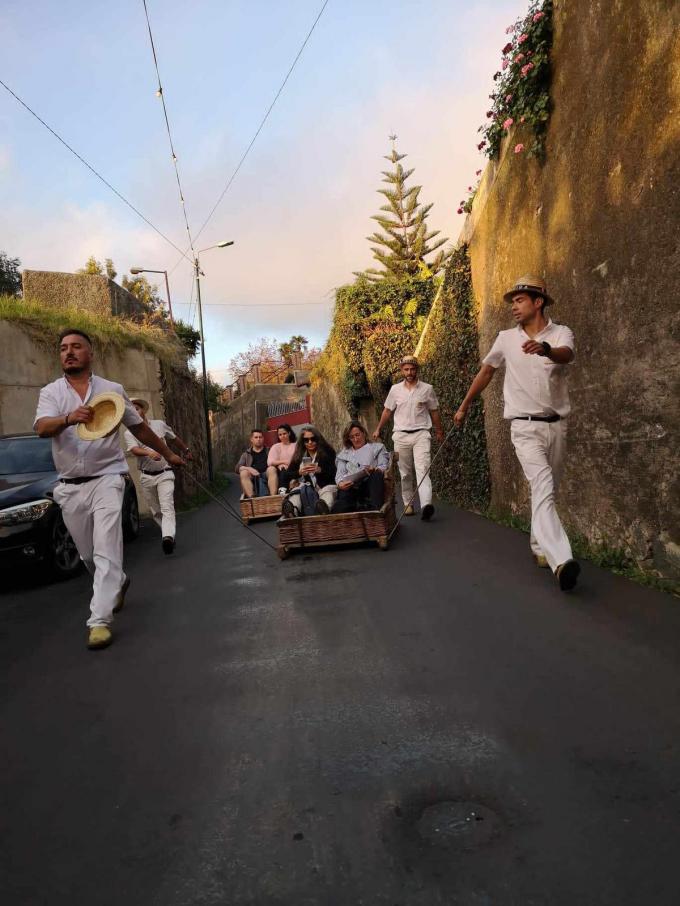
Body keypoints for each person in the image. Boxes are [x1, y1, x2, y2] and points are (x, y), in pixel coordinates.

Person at [34, 328, 185, 650]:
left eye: (76, 347)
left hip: (108, 478)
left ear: (90, 353)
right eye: (63, 348)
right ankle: (117, 580)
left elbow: (139, 428)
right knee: (88, 555)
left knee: (106, 549)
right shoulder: (51, 392)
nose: (69, 352)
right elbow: (41, 428)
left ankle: (98, 621)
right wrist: (68, 417)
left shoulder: (112, 390)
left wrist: (170, 454)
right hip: (70, 485)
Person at [454, 275, 580, 591]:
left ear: (538, 302)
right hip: (523, 427)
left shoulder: (561, 333)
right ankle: (561, 560)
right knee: (543, 484)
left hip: (557, 425)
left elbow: (567, 355)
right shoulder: (506, 338)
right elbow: (487, 371)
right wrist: (465, 405)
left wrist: (545, 349)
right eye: (512, 301)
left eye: (520, 299)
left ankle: (539, 546)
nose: (514, 305)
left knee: (547, 489)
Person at [373, 354, 445, 521]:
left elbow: (434, 411)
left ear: (417, 370)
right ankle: (408, 503)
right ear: (401, 371)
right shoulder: (395, 390)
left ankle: (426, 504)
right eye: (406, 369)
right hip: (401, 436)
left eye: (412, 369)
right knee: (405, 473)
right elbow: (387, 411)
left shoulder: (427, 388)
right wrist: (378, 428)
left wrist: (439, 430)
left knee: (423, 469)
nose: (410, 372)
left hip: (421, 434)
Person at [124, 398, 192, 556]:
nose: (135, 412)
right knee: (156, 511)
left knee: (167, 506)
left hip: (165, 473)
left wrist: (186, 450)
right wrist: (148, 452)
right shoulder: (129, 432)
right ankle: (167, 534)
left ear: (144, 410)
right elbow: (133, 450)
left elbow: (173, 438)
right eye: (131, 410)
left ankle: (167, 537)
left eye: (137, 408)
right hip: (147, 477)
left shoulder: (159, 425)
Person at [333, 421, 390, 513]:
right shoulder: (344, 454)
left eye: (357, 435)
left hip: (370, 484)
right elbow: (339, 474)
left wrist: (374, 469)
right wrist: (340, 484)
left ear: (363, 433)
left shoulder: (377, 447)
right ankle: (336, 513)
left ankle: (375, 512)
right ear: (348, 439)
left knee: (376, 475)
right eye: (352, 437)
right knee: (342, 498)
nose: (355, 439)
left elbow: (384, 465)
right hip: (351, 487)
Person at [281, 427, 337, 517]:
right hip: (307, 488)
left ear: (318, 439)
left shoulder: (328, 452)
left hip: (325, 486)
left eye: (313, 439)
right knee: (296, 492)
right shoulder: (299, 455)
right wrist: (299, 473)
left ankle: (323, 509)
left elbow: (334, 472)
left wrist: (320, 470)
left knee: (328, 492)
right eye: (306, 440)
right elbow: (285, 475)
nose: (310, 442)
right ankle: (292, 510)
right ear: (302, 442)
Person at [235, 429, 277, 497]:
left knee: (272, 469)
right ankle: (252, 498)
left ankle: (273, 497)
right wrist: (249, 468)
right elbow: (237, 468)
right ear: (251, 439)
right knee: (243, 472)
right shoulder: (246, 454)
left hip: (266, 474)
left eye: (260, 437)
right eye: (256, 437)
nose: (258, 439)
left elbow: (276, 462)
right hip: (253, 477)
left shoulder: (269, 450)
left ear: (263, 439)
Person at [267, 423, 297, 493]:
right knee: (282, 470)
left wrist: (289, 464)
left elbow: (298, 459)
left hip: (293, 469)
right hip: (280, 471)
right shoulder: (276, 446)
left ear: (289, 433)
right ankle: (279, 492)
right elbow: (270, 462)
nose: (282, 436)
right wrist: (283, 462)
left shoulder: (296, 445)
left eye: (284, 433)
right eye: (280, 435)